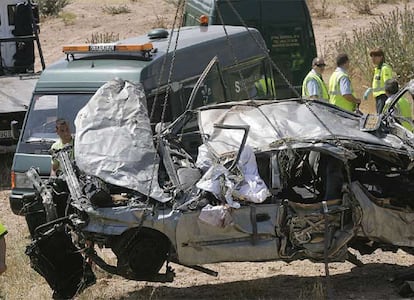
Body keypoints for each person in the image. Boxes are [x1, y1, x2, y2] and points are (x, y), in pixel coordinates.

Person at [364, 48, 393, 114]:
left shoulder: (385, 68)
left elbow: (388, 84)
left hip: (383, 97)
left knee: (381, 118)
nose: (373, 59)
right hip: (378, 97)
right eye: (372, 56)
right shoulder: (377, 69)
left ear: (381, 57)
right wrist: (371, 89)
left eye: (375, 56)